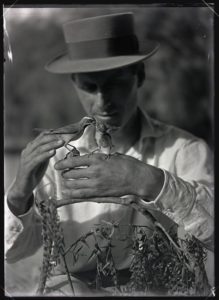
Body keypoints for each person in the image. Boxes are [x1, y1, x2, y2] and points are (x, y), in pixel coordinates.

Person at [5, 12, 214, 296]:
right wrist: (18, 195)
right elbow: (14, 252)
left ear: (139, 75)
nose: (103, 101)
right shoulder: (55, 156)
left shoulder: (184, 151)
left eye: (115, 83)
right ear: (75, 83)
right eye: (90, 87)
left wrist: (147, 180)